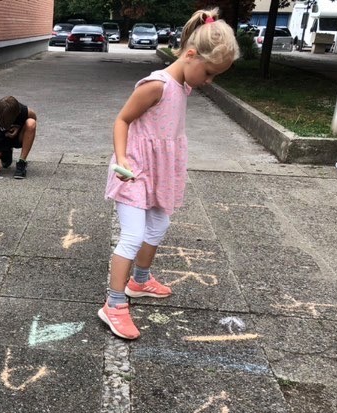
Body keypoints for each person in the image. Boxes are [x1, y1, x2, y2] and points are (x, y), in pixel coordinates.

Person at [98, 8, 240, 339]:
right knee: (132, 235)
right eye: (208, 73)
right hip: (134, 171)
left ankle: (140, 281)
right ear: (190, 54)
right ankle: (114, 304)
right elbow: (122, 120)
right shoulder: (156, 85)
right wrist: (122, 159)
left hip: (159, 172)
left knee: (159, 224)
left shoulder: (182, 86)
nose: (209, 81)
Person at [0, 96, 37, 179]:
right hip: (2, 138)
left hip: (18, 137)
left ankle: (22, 162)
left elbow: (33, 120)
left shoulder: (24, 111)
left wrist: (18, 128)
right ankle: (6, 153)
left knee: (31, 122)